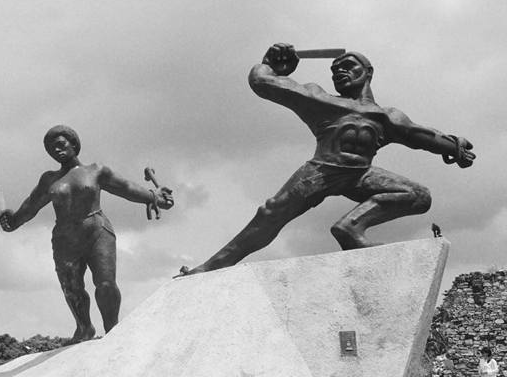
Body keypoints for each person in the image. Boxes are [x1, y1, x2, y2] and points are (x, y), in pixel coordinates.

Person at [179, 43, 475, 276]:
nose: (339, 73)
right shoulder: (320, 99)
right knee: (271, 215)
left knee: (418, 196)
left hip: (360, 174)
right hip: (320, 171)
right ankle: (211, 267)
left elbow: (420, 136)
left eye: (348, 66)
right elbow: (262, 82)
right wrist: (271, 64)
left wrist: (453, 146)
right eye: (335, 70)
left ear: (368, 72)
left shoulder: (387, 117)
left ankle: (349, 228)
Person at [0, 125, 174, 344]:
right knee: (71, 288)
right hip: (65, 239)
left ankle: (112, 329)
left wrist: (152, 197)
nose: (57, 150)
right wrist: (12, 221)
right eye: (52, 149)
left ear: (74, 144)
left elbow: (126, 187)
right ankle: (84, 328)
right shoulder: (50, 180)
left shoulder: (96, 171)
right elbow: (31, 206)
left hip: (97, 231)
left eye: (61, 144)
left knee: (106, 283)